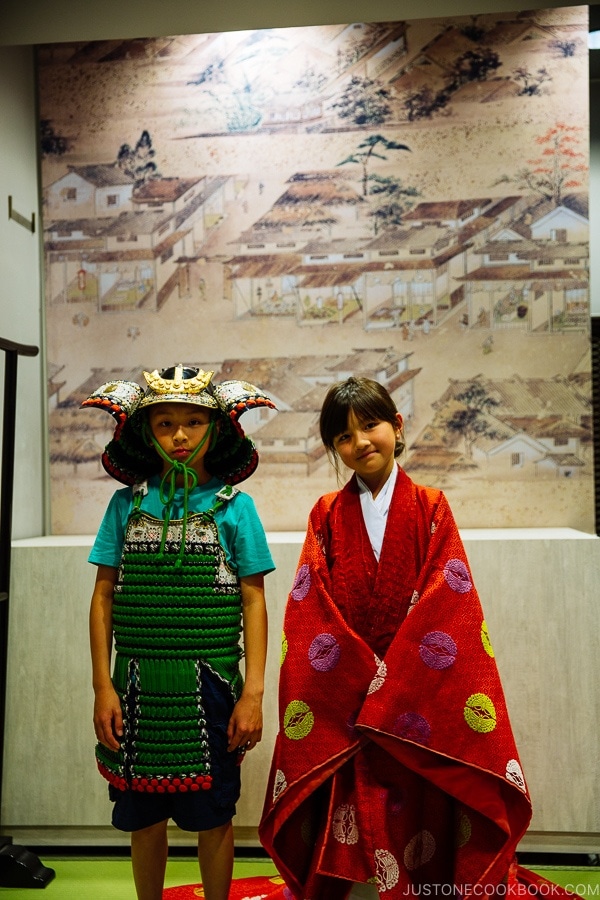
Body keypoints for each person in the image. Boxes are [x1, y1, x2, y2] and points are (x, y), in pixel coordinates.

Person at [259, 376, 532, 900]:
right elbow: (310, 602)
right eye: (343, 436)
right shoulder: (326, 514)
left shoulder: (431, 505)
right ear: (334, 448)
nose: (360, 442)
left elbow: (449, 596)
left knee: (422, 798)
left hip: (415, 692)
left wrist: (396, 678)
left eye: (370, 425)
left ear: (397, 426)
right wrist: (358, 673)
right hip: (350, 688)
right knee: (354, 800)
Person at [83, 364, 276, 900]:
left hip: (212, 687)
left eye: (193, 422)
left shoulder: (237, 510)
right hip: (136, 685)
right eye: (165, 423)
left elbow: (254, 601)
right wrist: (103, 686)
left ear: (216, 429)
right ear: (146, 432)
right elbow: (102, 598)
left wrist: (254, 692)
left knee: (213, 818)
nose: (180, 436)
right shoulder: (125, 506)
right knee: (143, 819)